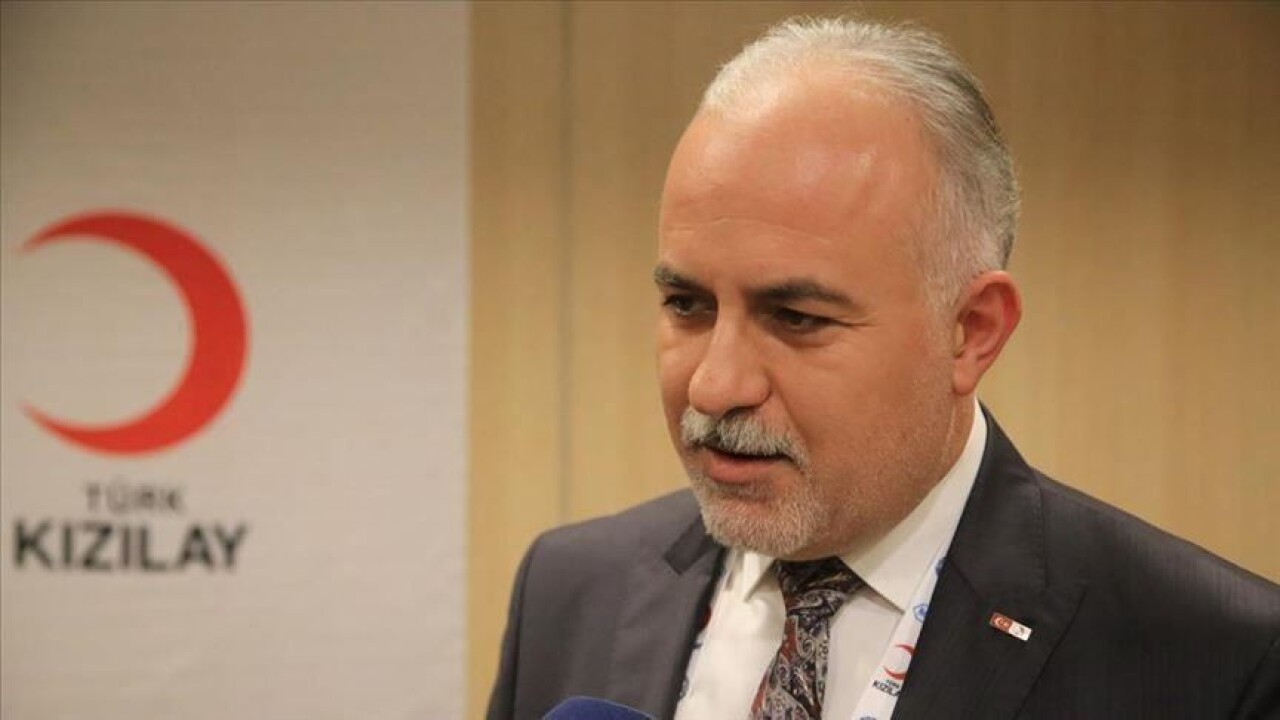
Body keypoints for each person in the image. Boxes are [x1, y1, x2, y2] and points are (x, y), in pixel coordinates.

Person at [486, 17, 1280, 720]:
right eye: (687, 305)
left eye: (796, 317)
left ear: (971, 332)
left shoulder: (1214, 658)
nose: (713, 386)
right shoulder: (569, 589)